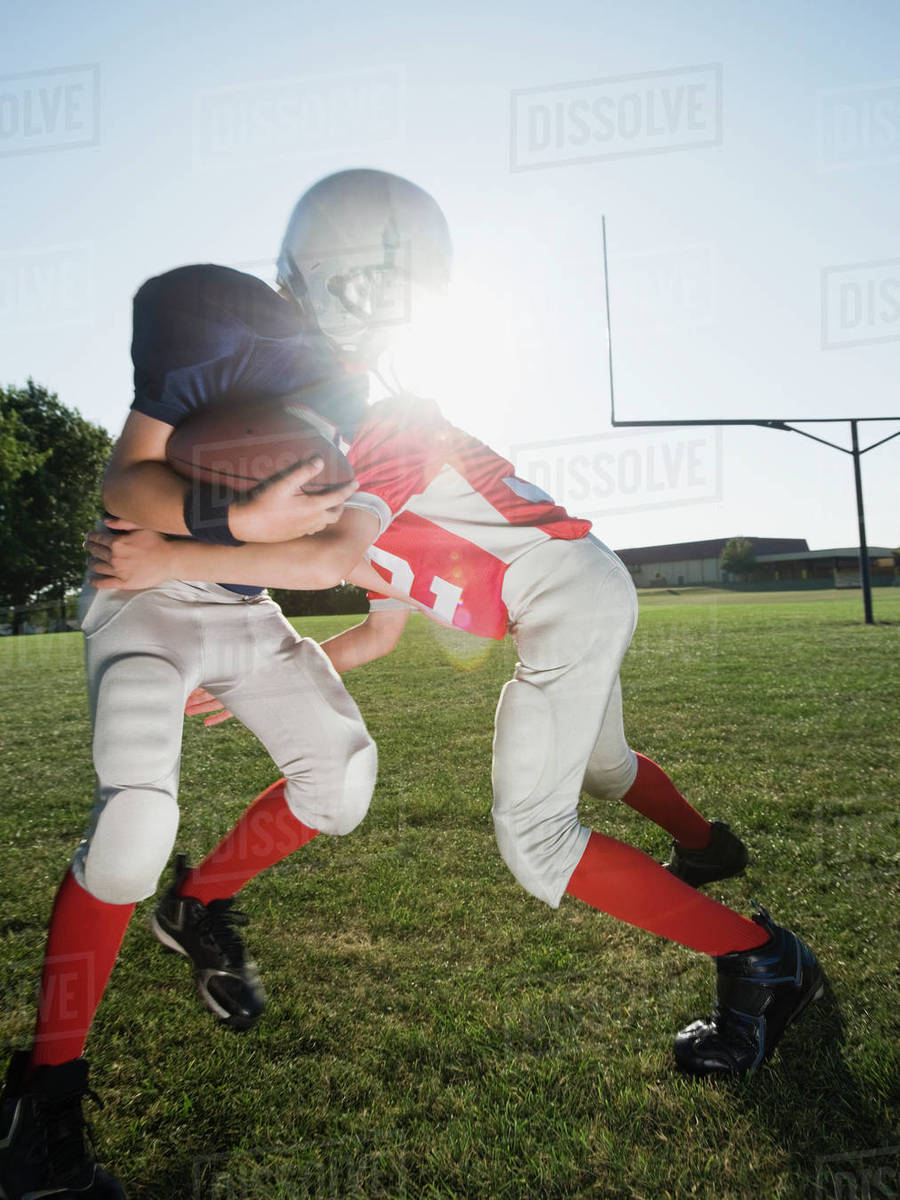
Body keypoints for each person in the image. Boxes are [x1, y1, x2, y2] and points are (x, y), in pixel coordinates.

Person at [85, 170, 824, 1085]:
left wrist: (170, 556)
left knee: (537, 839)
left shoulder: (383, 425)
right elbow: (378, 631)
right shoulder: (343, 436)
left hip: (564, 604)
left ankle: (762, 956)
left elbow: (319, 562)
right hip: (579, 595)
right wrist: (274, 674)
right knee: (603, 767)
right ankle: (708, 847)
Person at [0, 265, 377, 1200]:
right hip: (146, 600)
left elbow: (334, 552)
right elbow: (127, 479)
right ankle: (38, 1105)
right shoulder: (214, 313)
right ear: (302, 267)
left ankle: (198, 905)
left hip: (233, 602)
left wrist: (204, 535)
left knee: (343, 783)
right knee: (130, 832)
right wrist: (223, 522)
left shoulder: (368, 395)